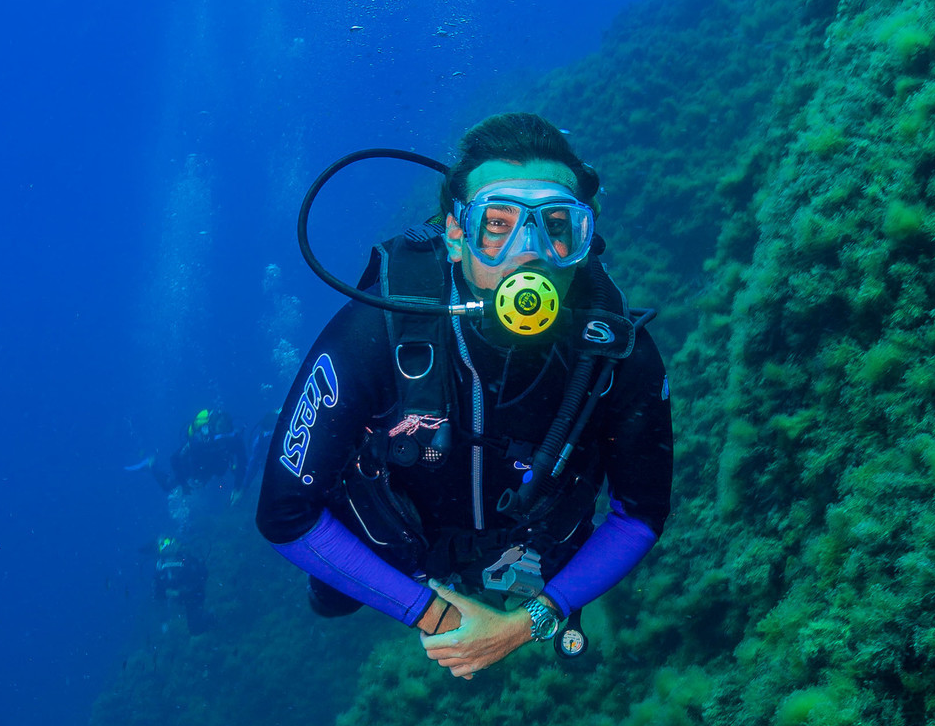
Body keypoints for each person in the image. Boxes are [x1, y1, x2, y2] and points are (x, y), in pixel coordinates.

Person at [255, 113, 672, 681]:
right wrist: (433, 613)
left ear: (584, 235)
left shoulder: (620, 353)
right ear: (455, 235)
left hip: (529, 549)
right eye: (496, 224)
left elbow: (641, 515)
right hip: (395, 547)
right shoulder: (373, 330)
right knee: (332, 599)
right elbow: (284, 513)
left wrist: (530, 621)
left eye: (556, 225)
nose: (530, 253)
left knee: (573, 634)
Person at [126, 408, 251, 498]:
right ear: (213, 426)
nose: (222, 432)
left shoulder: (234, 440)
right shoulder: (199, 439)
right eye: (220, 427)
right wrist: (183, 484)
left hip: (208, 470)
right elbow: (174, 459)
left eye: (226, 427)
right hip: (190, 468)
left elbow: (243, 462)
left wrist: (238, 487)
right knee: (167, 486)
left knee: (218, 483)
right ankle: (151, 465)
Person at [152, 536, 209, 633]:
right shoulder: (161, 566)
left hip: (192, 596)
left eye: (169, 544)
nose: (167, 547)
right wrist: (167, 592)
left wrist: (183, 591)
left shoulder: (186, 559)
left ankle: (210, 619)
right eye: (163, 545)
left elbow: (202, 575)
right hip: (177, 601)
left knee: (196, 629)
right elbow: (157, 591)